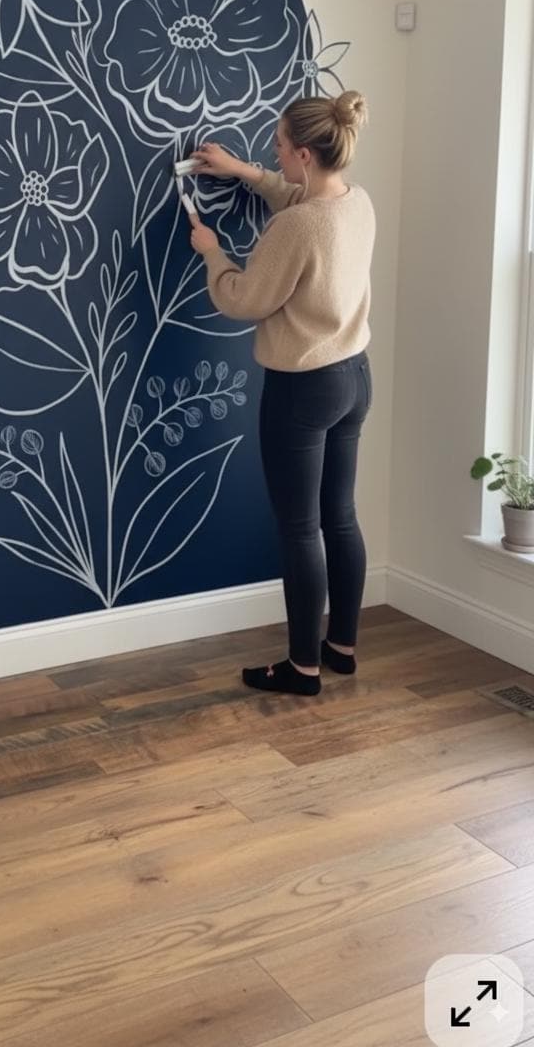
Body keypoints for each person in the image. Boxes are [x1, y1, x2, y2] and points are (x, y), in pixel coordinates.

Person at [189, 91, 375, 698]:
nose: (273, 155)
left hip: (303, 390)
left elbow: (244, 299)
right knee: (340, 517)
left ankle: (302, 668)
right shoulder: (357, 202)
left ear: (303, 155)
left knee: (299, 529)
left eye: (277, 147)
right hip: (354, 377)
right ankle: (341, 647)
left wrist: (213, 253)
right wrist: (244, 171)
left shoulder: (295, 226)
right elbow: (300, 201)